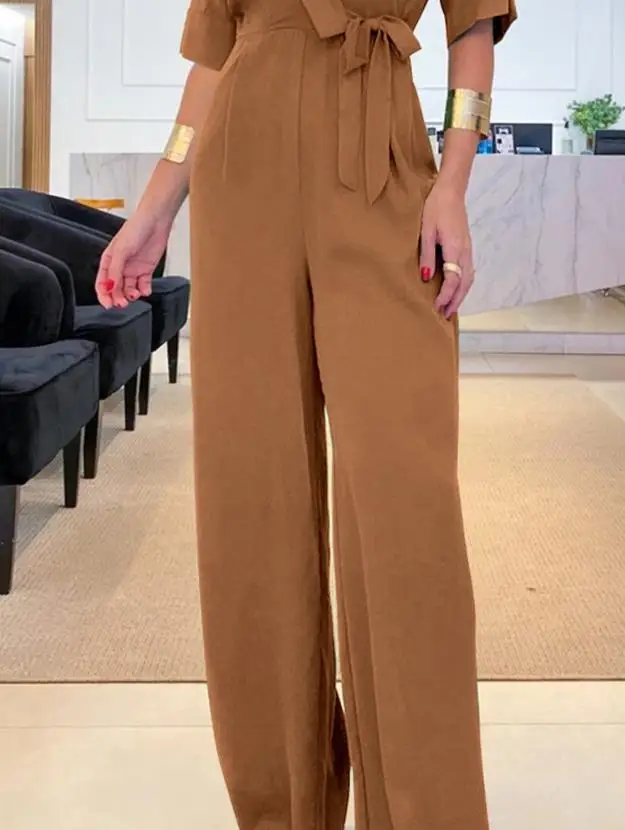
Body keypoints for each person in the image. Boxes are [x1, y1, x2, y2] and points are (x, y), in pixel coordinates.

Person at [95, 1, 516, 827]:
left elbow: (472, 31)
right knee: (253, 498)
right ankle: (283, 809)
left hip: (384, 166)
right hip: (242, 175)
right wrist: (154, 208)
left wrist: (453, 182)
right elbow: (213, 62)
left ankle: (427, 812)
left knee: (408, 508)